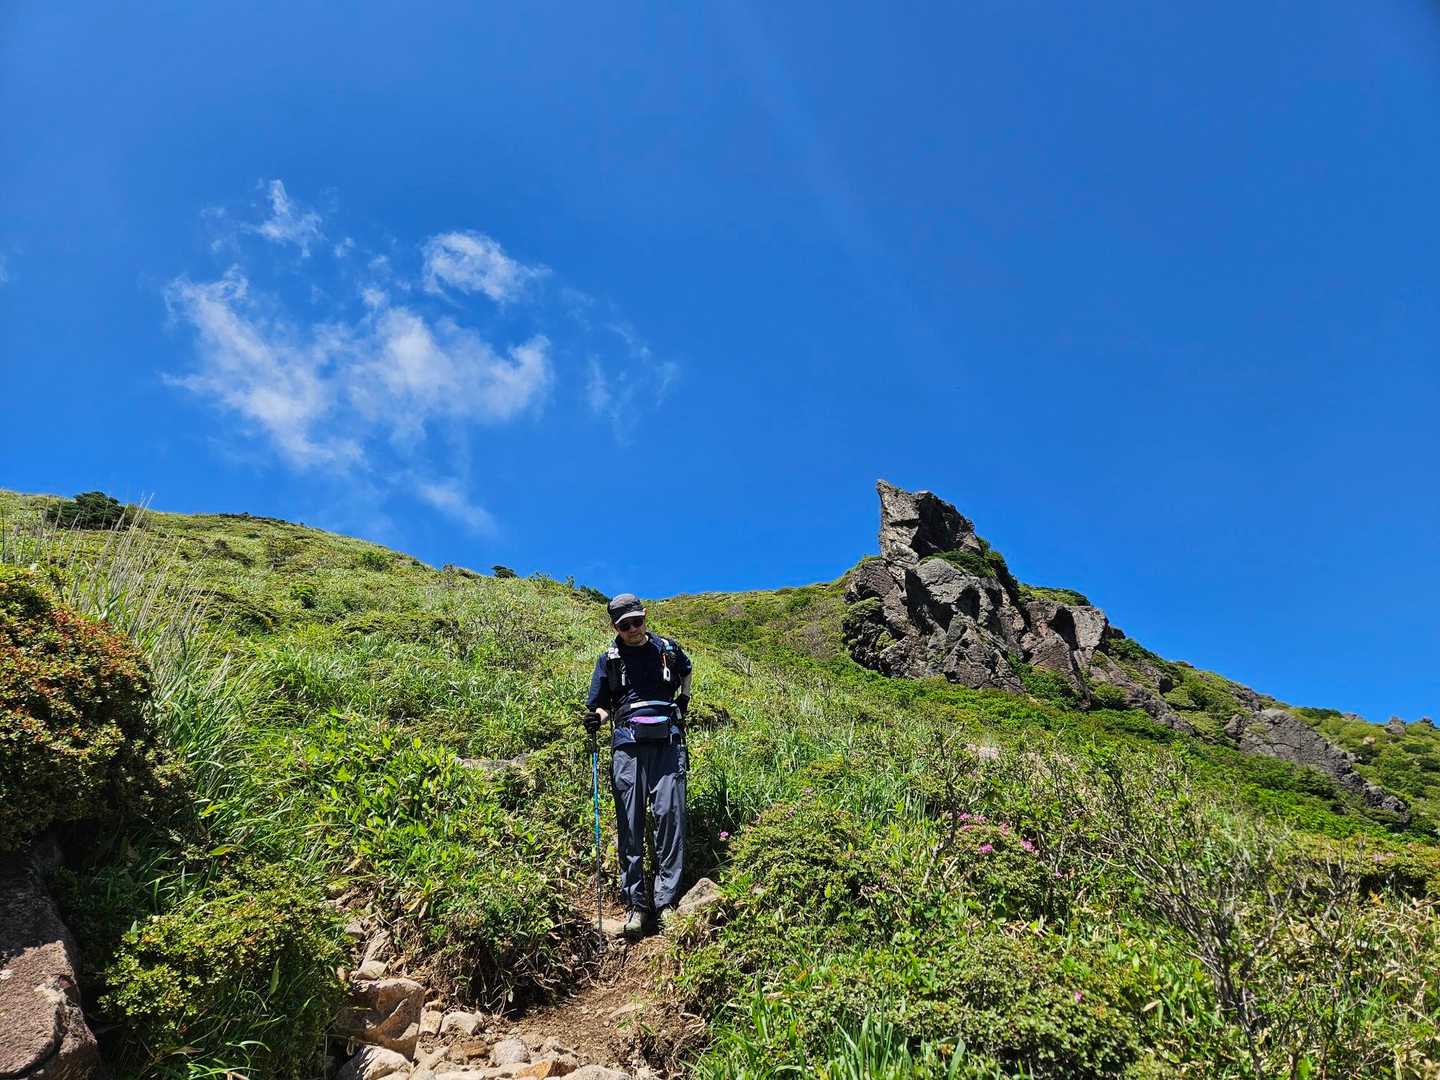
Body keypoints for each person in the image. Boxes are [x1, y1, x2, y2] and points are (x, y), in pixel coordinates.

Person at [584, 593, 693, 939]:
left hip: (668, 744)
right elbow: (602, 705)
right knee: (629, 823)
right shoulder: (609, 660)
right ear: (615, 627)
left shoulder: (668, 650)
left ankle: (665, 903)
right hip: (627, 746)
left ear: (645, 616)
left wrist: (683, 700)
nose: (633, 629)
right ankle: (636, 905)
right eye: (625, 625)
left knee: (670, 818)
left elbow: (687, 671)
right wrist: (597, 719)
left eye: (637, 621)